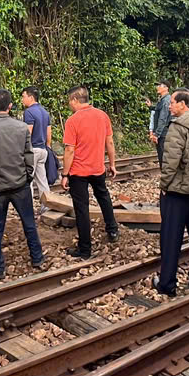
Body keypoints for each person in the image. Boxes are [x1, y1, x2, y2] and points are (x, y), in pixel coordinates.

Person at [0, 89, 45, 279]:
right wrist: (27, 176)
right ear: (10, 106)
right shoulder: (22, 127)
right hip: (20, 185)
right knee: (29, 223)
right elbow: (28, 156)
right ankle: (37, 258)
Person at [153, 88, 189, 296]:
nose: (169, 105)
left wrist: (164, 185)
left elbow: (170, 161)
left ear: (182, 105)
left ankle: (167, 283)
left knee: (171, 238)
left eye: (173, 103)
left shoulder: (177, 128)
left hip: (178, 191)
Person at [60, 85, 120, 259]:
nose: (69, 105)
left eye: (69, 101)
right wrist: (112, 164)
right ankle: (113, 230)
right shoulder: (102, 116)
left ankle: (85, 249)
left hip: (79, 172)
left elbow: (69, 150)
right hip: (98, 167)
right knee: (103, 197)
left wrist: (65, 174)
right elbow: (110, 142)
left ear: (74, 100)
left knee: (82, 209)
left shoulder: (73, 120)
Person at [21, 86, 57, 214]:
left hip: (32, 151)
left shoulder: (29, 112)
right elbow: (49, 132)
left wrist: (23, 150)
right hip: (43, 150)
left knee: (28, 181)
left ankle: (28, 209)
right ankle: (46, 205)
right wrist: (48, 147)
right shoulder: (44, 112)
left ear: (30, 97)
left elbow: (28, 133)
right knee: (42, 179)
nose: (22, 100)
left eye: (23, 96)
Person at [150, 81, 173, 166]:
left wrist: (157, 134)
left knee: (163, 157)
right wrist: (151, 107)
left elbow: (163, 118)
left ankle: (165, 176)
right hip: (163, 133)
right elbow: (158, 110)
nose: (158, 87)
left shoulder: (166, 100)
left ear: (166, 88)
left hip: (163, 133)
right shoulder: (162, 99)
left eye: (160, 86)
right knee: (162, 156)